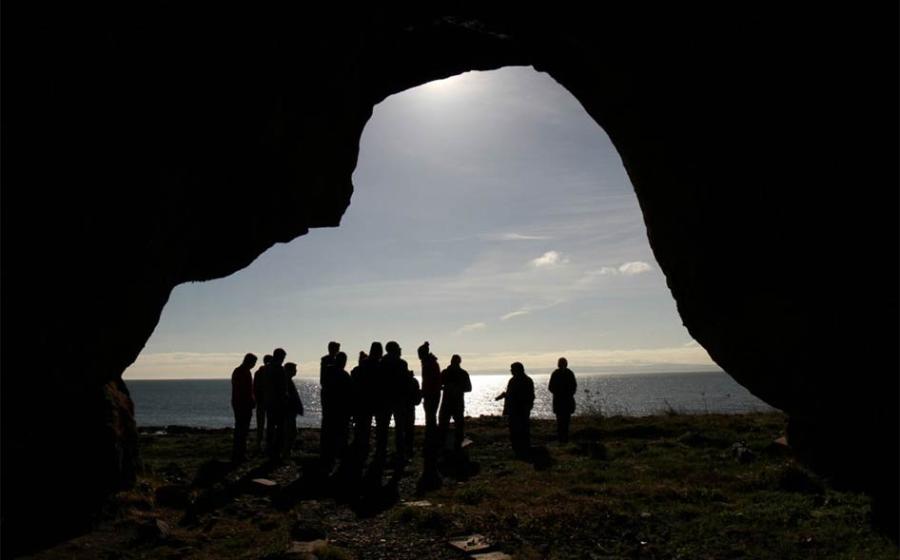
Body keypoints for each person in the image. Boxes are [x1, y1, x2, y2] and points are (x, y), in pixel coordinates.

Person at [495, 362, 535, 458]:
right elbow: (531, 396)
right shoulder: (527, 380)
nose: (511, 371)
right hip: (522, 409)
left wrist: (506, 400)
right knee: (522, 429)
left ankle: (519, 449)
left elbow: (513, 395)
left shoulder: (514, 381)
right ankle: (523, 448)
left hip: (517, 410)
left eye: (512, 369)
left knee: (516, 430)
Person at [322, 351, 353, 472]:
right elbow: (349, 393)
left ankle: (328, 458)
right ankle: (339, 458)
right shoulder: (344, 376)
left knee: (328, 436)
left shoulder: (328, 372)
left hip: (330, 409)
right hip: (340, 411)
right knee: (340, 435)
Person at [381, 341, 411, 466]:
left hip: (385, 399)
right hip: (398, 399)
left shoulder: (382, 363)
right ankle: (400, 454)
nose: (400, 350)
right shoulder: (402, 363)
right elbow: (404, 382)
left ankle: (381, 452)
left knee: (383, 428)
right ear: (394, 350)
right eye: (399, 348)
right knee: (399, 428)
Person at [438, 354, 472, 454]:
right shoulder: (460, 373)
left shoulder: (446, 372)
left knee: (450, 424)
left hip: (451, 402)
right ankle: (451, 445)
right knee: (453, 424)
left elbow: (468, 388)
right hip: (453, 402)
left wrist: (453, 387)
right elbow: (468, 388)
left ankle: (450, 445)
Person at [231, 353, 257, 462]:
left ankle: (239, 452)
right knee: (242, 429)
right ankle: (239, 453)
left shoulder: (240, 371)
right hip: (242, 404)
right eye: (253, 363)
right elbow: (244, 390)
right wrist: (250, 400)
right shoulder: (242, 372)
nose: (254, 365)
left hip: (239, 403)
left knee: (241, 429)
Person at [264, 348, 288, 460]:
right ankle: (276, 452)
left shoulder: (267, 368)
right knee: (279, 429)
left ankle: (269, 450)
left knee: (270, 427)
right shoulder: (279, 369)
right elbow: (282, 387)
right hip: (278, 402)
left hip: (269, 401)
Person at [319, 341, 341, 467]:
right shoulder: (328, 360)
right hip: (329, 393)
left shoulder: (328, 360)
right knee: (328, 421)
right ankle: (327, 447)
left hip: (329, 393)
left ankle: (328, 446)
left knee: (328, 421)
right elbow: (324, 379)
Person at [548, 357, 577, 443]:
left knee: (564, 422)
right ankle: (562, 439)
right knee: (562, 422)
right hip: (562, 401)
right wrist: (563, 393)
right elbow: (551, 387)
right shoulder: (565, 373)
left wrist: (562, 393)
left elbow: (573, 387)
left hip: (563, 401)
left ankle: (563, 439)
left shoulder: (565, 373)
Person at [417, 342, 442, 433]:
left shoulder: (429, 364)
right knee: (431, 415)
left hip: (431, 394)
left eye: (419, 353)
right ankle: (431, 434)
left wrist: (424, 392)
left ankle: (431, 435)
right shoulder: (430, 363)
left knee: (430, 415)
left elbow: (429, 381)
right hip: (432, 393)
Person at [283, 362, 304, 459]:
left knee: (291, 432)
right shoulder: (286, 381)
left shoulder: (288, 381)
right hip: (289, 411)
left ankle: (287, 452)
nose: (296, 371)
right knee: (290, 432)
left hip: (290, 411)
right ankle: (286, 452)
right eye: (294, 369)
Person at [253, 354, 272, 454]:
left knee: (261, 425)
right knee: (269, 424)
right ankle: (267, 445)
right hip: (268, 402)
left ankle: (258, 445)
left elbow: (254, 388)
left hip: (261, 402)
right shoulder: (271, 373)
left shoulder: (258, 373)